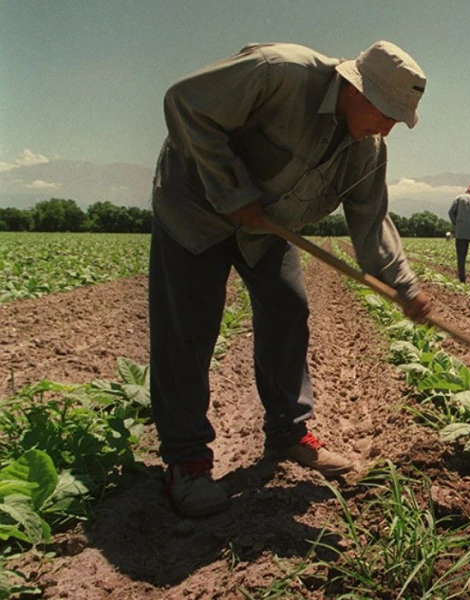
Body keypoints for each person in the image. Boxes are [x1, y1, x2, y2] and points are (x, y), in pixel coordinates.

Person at [149, 41, 433, 517]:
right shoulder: (278, 72)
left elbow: (371, 221)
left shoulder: (367, 148)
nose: (387, 126)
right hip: (194, 211)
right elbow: (184, 103)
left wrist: (405, 287)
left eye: (397, 118)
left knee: (287, 310)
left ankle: (289, 432)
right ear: (353, 89)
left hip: (266, 229)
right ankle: (187, 461)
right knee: (189, 330)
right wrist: (232, 188)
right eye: (385, 111)